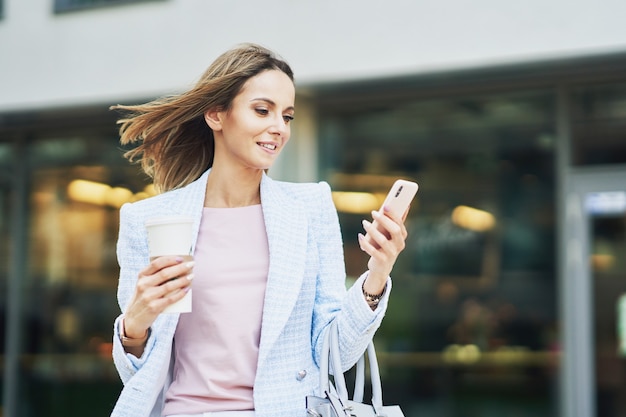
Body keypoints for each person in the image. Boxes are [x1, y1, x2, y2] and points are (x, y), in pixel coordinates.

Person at [109, 43, 410, 417]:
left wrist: (376, 275)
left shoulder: (309, 209)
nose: (278, 129)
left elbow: (335, 353)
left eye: (287, 116)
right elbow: (137, 374)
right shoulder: (151, 219)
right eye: (262, 110)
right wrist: (134, 323)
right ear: (217, 114)